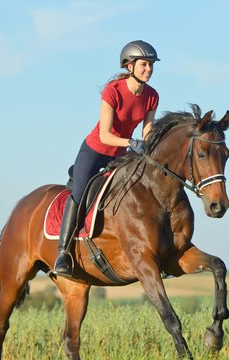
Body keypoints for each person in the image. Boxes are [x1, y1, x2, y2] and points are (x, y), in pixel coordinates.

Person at [53, 40, 160, 275]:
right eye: (144, 64)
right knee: (79, 195)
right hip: (95, 151)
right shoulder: (113, 91)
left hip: (121, 154)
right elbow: (105, 134)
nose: (149, 69)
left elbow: (147, 132)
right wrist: (131, 143)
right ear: (129, 66)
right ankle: (62, 254)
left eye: (151, 65)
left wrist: (152, 147)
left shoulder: (152, 96)